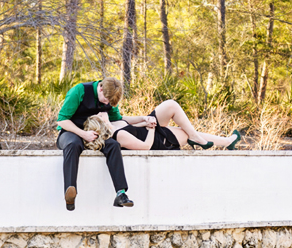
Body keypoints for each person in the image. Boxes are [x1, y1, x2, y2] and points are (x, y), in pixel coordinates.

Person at [56, 76, 157, 211]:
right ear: (101, 88)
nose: (108, 103)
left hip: (96, 134)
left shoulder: (110, 99)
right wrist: (83, 134)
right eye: (107, 99)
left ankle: (121, 193)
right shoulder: (79, 91)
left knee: (114, 145)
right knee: (73, 145)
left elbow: (119, 119)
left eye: (110, 101)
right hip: (71, 132)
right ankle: (70, 192)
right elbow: (62, 120)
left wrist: (144, 119)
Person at [107, 99, 241, 152]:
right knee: (184, 133)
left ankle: (223, 141)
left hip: (147, 126)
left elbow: (129, 123)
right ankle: (227, 141)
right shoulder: (113, 133)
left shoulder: (111, 120)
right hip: (153, 137)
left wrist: (145, 120)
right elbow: (145, 147)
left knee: (171, 105)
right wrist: (151, 129)